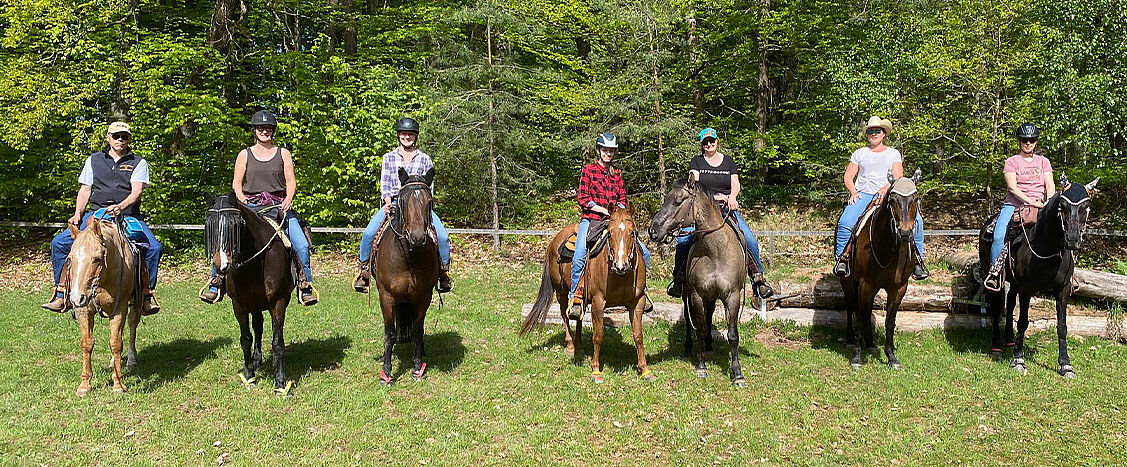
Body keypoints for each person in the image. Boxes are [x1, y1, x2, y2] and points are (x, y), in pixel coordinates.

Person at [199, 110, 318, 306]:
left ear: (273, 131)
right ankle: (216, 282)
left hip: (278, 206)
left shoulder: (283, 153)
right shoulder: (244, 154)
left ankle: (305, 284)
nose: (265, 131)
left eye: (268, 128)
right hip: (251, 206)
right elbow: (237, 183)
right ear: (254, 131)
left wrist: (288, 198)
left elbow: (291, 181)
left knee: (301, 245)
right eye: (261, 128)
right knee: (226, 235)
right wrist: (241, 199)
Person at [42, 121, 162, 314]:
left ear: (129, 139)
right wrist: (78, 214)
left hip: (127, 215)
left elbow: (136, 192)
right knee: (59, 244)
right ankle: (62, 292)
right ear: (108, 137)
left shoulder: (138, 162)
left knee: (154, 248)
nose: (120, 140)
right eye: (116, 136)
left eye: (124, 136)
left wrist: (120, 206)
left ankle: (145, 296)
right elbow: (85, 189)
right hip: (95, 214)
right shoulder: (93, 160)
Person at [666, 128, 775, 299]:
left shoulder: (728, 161)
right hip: (702, 210)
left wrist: (732, 197)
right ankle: (679, 280)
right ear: (701, 144)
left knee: (749, 240)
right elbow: (693, 183)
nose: (709, 144)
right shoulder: (697, 162)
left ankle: (758, 281)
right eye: (705, 142)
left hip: (725, 209)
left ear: (717, 141)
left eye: (712, 140)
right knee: (682, 241)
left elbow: (735, 183)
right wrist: (713, 197)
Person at [352, 117, 453, 294]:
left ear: (416, 136)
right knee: (368, 233)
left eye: (410, 134)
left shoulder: (425, 159)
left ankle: (443, 273)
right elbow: (385, 184)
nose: (407, 137)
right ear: (398, 136)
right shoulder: (389, 158)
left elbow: (429, 188)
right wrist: (388, 203)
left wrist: (424, 207)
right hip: (395, 202)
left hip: (419, 207)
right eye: (404, 134)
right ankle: (364, 271)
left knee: (442, 237)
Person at [568, 133, 652, 319]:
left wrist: (618, 212)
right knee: (580, 253)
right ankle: (576, 297)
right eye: (605, 150)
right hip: (591, 219)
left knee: (644, 252)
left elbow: (622, 198)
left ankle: (642, 291)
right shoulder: (589, 171)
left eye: (611, 151)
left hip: (614, 221)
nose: (608, 153)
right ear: (599, 150)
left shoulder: (617, 173)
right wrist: (602, 209)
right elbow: (583, 198)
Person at [833, 116, 928, 279]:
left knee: (917, 221)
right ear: (867, 134)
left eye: (877, 131)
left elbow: (898, 177)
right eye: (870, 131)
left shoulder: (893, 154)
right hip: (863, 194)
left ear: (884, 133)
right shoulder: (859, 153)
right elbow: (848, 176)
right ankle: (842, 260)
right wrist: (853, 192)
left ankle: (917, 261)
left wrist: (885, 189)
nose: (874, 134)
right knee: (845, 222)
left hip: (888, 194)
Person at [983, 123, 1055, 290]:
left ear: (1036, 142)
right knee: (999, 235)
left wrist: (1049, 202)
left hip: (1040, 204)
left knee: (1062, 229)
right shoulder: (1012, 162)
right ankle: (995, 273)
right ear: (1019, 141)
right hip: (1014, 205)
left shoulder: (1043, 161)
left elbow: (1050, 184)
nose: (1028, 143)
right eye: (1024, 140)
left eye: (1031, 140)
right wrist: (1030, 202)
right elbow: (1013, 188)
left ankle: (1067, 275)